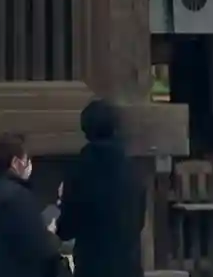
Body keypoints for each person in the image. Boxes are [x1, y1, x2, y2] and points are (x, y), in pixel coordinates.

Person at [55, 98, 147, 277]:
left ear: (86, 131)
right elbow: (139, 221)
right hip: (128, 266)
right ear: (115, 128)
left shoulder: (80, 170)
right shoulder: (134, 170)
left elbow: (66, 228)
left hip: (92, 267)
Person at [0, 133, 66, 277]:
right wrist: (51, 235)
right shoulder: (18, 196)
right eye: (27, 160)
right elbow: (38, 247)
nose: (29, 165)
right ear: (16, 163)